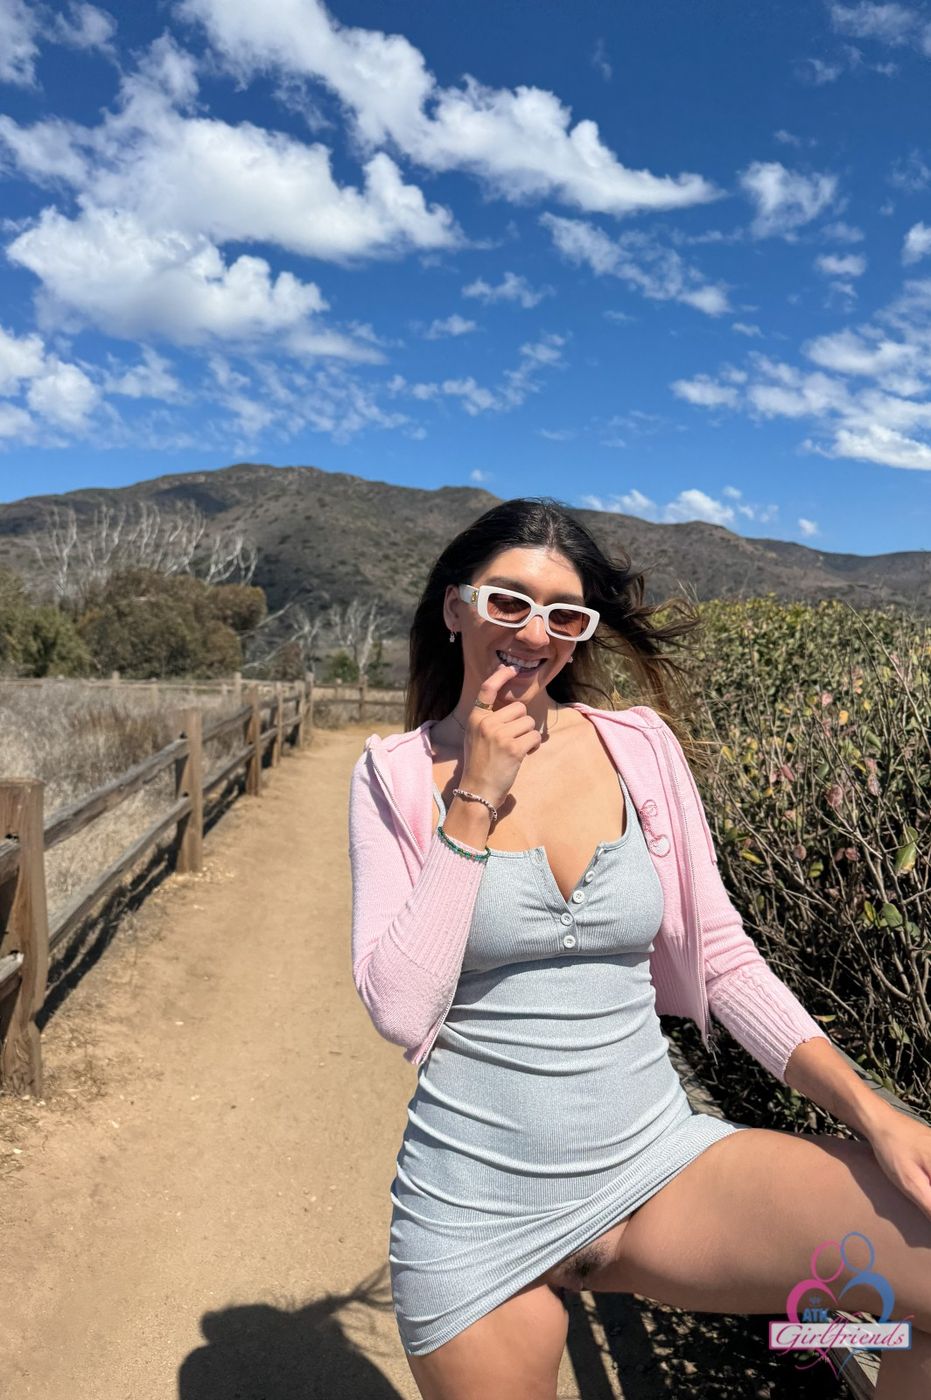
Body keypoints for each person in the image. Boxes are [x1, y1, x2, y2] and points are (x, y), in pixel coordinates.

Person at [348, 497, 931, 1399]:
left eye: (563, 615)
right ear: (456, 607)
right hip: (476, 1210)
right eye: (507, 602)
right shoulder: (390, 775)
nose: (533, 632)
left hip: (659, 1164)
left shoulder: (637, 749)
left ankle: (812, 1343)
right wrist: (474, 798)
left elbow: (723, 958)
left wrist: (871, 1111)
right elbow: (399, 1005)